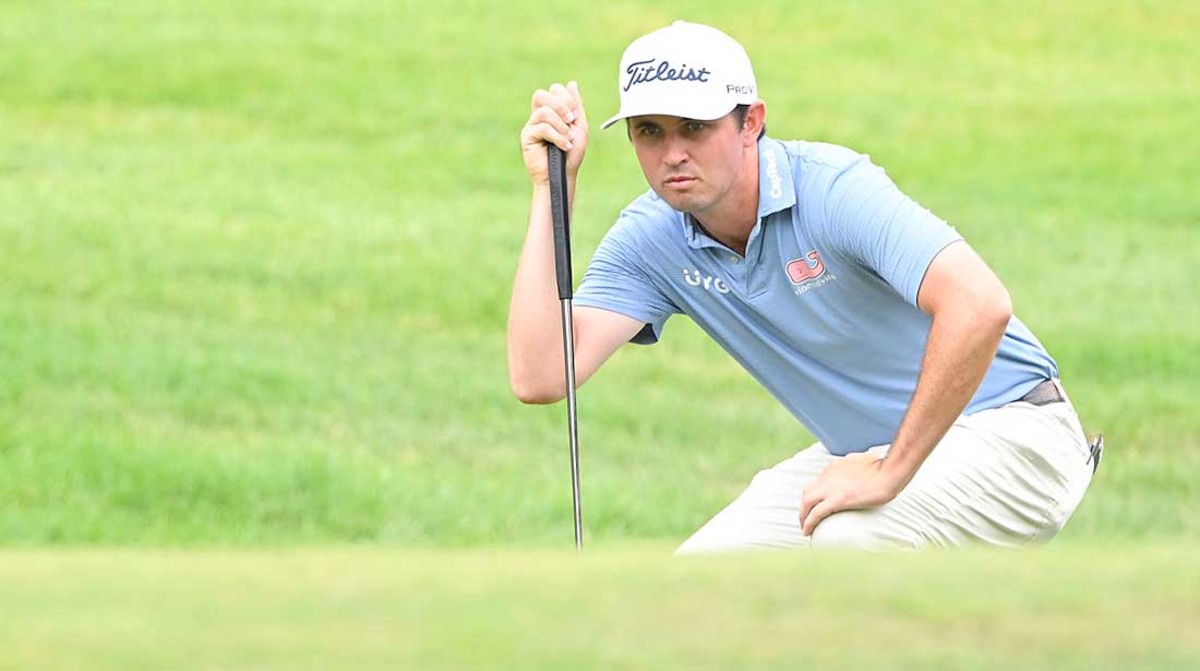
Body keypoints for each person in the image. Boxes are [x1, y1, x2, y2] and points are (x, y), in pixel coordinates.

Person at [509, 20, 1097, 553]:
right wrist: (551, 190)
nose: (673, 153)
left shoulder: (833, 189)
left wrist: (892, 468)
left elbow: (980, 304)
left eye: (695, 127)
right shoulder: (651, 238)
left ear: (751, 122)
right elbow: (541, 375)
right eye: (649, 132)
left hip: (1019, 433)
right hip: (874, 452)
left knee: (850, 539)